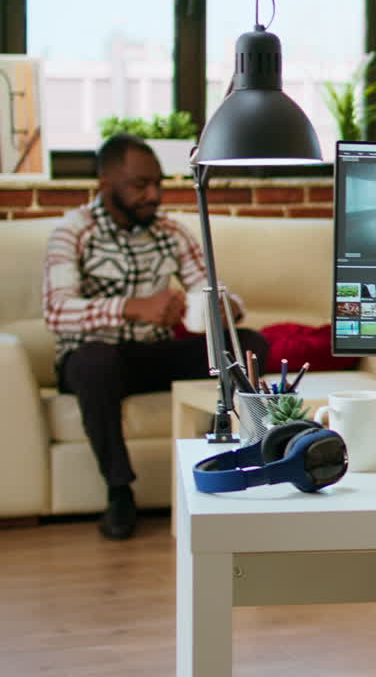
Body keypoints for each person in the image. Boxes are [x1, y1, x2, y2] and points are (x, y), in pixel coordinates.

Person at [43, 133, 269, 540]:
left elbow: (209, 285)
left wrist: (225, 307)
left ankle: (245, 462)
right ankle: (119, 491)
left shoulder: (171, 233)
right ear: (105, 183)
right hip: (93, 358)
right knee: (97, 362)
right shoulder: (72, 232)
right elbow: (56, 311)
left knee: (250, 343)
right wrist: (133, 306)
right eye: (139, 185)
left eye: (158, 183)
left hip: (152, 354)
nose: (153, 194)